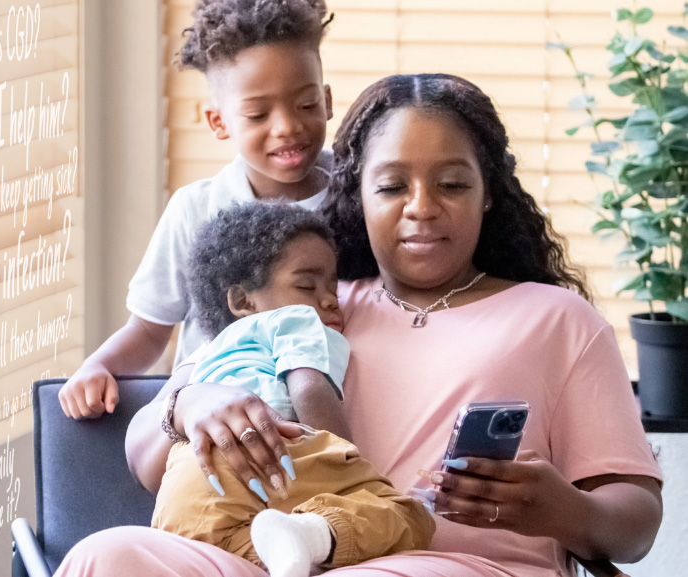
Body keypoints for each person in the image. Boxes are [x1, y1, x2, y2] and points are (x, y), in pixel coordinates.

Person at [55, 74, 662, 577]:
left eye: (452, 184)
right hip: (272, 556)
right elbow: (142, 458)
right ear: (358, 196)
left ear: (489, 194)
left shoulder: (558, 320)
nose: (421, 206)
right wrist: (189, 403)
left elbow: (635, 522)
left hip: (457, 566)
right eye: (392, 185)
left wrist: (566, 512)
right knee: (103, 557)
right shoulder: (305, 303)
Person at [57, 0, 335, 419]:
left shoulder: (357, 195)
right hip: (211, 423)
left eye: (307, 105)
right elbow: (149, 329)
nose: (287, 126)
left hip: (320, 416)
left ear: (328, 100)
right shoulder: (196, 208)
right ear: (218, 122)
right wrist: (99, 365)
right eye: (258, 114)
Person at [152, 202, 434, 577]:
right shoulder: (295, 320)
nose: (330, 299)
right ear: (241, 300)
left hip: (190, 479)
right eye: (306, 285)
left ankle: (289, 548)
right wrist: (346, 461)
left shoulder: (210, 350)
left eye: (333, 285)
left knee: (239, 548)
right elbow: (308, 386)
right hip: (275, 449)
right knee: (409, 517)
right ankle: (312, 535)